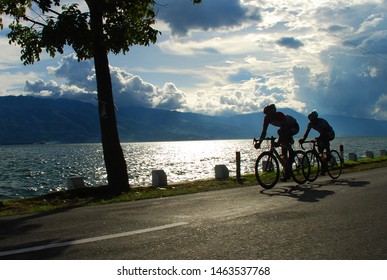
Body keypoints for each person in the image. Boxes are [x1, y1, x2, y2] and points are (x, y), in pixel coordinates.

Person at [255, 104, 300, 180]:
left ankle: (291, 154)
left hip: (294, 127)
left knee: (281, 134)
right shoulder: (266, 119)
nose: (267, 116)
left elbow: (283, 130)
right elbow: (264, 132)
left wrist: (278, 142)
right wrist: (259, 143)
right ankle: (287, 172)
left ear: (273, 112)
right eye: (266, 115)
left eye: (269, 114)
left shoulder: (280, 115)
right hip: (285, 129)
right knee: (283, 150)